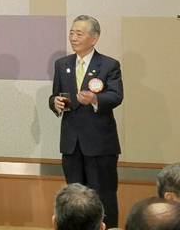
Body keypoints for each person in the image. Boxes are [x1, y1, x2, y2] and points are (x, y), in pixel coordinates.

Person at [49, 15, 123, 229]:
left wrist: (95, 99)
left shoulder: (109, 65)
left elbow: (116, 96)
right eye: (71, 33)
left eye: (79, 33)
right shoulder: (62, 64)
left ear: (94, 38)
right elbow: (55, 95)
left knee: (104, 195)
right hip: (71, 144)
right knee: (73, 199)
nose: (73, 37)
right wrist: (55, 103)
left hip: (100, 144)